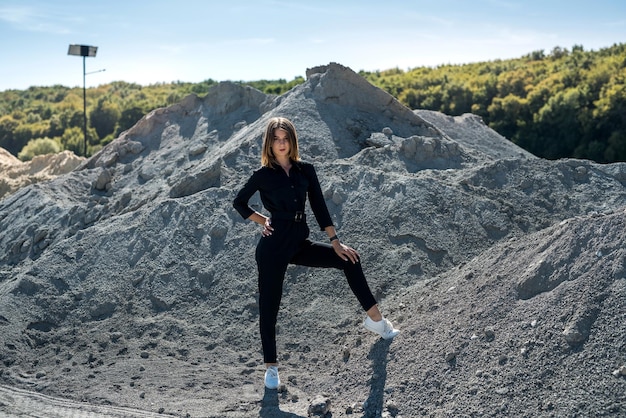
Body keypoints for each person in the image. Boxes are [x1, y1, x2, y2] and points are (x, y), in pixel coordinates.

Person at [233, 117, 399, 390]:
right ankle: (271, 367)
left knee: (349, 260)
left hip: (299, 241)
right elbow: (239, 202)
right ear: (269, 143)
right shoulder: (263, 174)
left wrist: (335, 241)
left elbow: (320, 206)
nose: (281, 143)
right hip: (273, 248)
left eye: (285, 138)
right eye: (276, 139)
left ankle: (377, 322)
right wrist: (263, 221)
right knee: (269, 306)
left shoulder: (305, 171)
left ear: (292, 140)